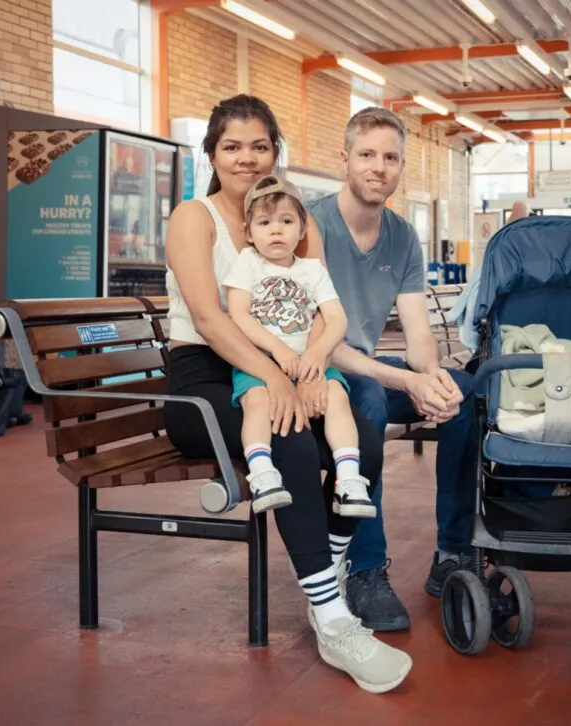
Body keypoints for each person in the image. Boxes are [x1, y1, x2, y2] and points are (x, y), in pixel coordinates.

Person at [162, 94, 411, 692]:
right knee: (292, 439)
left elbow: (321, 306)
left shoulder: (296, 219)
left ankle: (326, 578)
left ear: (275, 152)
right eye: (232, 147)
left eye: (259, 146)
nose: (246, 158)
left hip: (287, 363)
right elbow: (211, 319)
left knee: (362, 440)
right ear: (212, 154)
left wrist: (312, 368)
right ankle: (333, 619)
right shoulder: (194, 217)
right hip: (204, 379)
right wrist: (276, 378)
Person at [305, 107, 477, 632]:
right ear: (344, 160)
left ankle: (453, 552)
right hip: (315, 375)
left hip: (366, 368)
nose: (378, 167)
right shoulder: (309, 226)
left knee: (466, 394)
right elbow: (321, 345)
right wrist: (405, 379)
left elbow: (418, 334)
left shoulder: (402, 237)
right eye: (367, 155)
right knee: (371, 398)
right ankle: (365, 569)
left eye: (390, 158)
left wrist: (432, 377)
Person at [224, 174, 375, 519]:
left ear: (303, 229)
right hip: (261, 363)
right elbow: (238, 314)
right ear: (249, 233)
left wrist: (317, 353)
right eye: (264, 223)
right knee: (256, 401)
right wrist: (277, 349)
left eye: (286, 221)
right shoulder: (248, 262)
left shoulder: (312, 270)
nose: (275, 230)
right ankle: (262, 474)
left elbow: (336, 319)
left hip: (308, 364)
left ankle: (348, 480)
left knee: (337, 397)